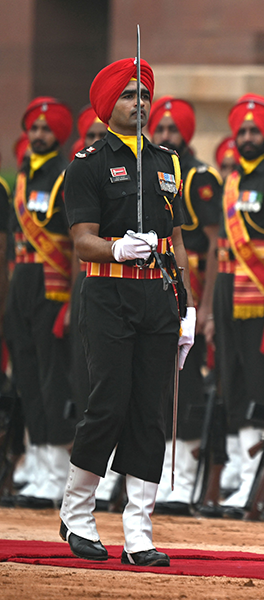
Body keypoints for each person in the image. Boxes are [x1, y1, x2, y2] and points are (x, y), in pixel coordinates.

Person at [59, 57, 195, 567]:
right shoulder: (87, 165)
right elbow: (82, 242)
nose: (138, 104)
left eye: (142, 95)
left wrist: (188, 304)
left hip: (158, 299)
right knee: (108, 404)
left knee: (148, 414)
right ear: (107, 106)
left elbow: (175, 238)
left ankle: (138, 531)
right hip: (109, 296)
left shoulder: (166, 162)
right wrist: (118, 248)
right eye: (127, 96)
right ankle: (77, 512)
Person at [147, 96, 223, 515]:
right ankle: (150, 474)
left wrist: (205, 306)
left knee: (187, 382)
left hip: (186, 287)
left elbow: (214, 246)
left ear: (187, 134)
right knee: (153, 382)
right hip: (149, 287)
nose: (165, 136)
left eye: (173, 130)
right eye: (160, 128)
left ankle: (183, 475)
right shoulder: (148, 171)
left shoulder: (199, 178)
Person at [212, 94, 264, 519]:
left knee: (262, 388)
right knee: (233, 384)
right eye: (242, 131)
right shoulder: (233, 180)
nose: (247, 137)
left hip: (262, 299)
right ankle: (243, 476)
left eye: (255, 131)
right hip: (226, 295)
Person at [7, 97, 74, 510]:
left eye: (46, 130)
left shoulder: (66, 176)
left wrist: (70, 303)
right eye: (33, 128)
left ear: (59, 135)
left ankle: (56, 472)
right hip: (22, 286)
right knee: (27, 379)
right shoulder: (22, 176)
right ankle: (37, 465)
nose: (38, 135)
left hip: (53, 288)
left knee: (53, 382)